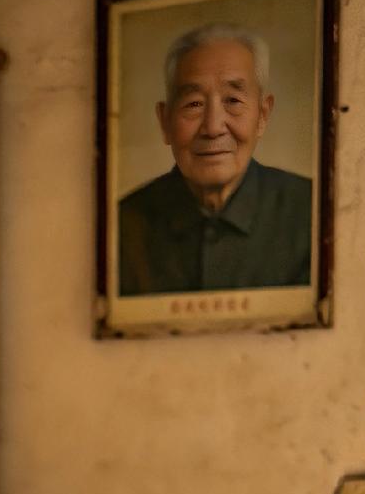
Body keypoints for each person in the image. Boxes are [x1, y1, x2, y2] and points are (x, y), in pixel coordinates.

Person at [116, 23, 312, 296]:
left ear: (262, 116)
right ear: (165, 122)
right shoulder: (123, 226)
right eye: (194, 103)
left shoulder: (311, 212)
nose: (213, 127)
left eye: (233, 100)